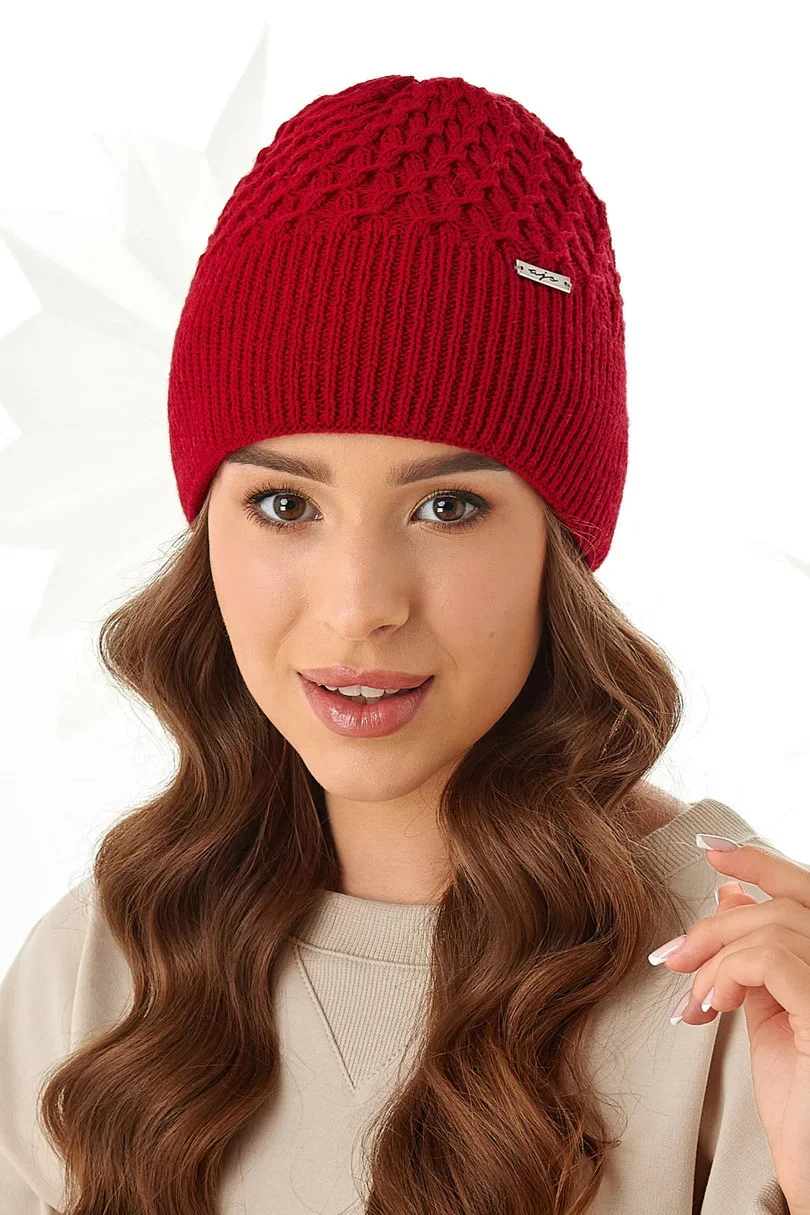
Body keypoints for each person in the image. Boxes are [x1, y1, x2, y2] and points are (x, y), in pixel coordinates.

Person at [1, 74, 807, 1215]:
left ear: (559, 544)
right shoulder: (99, 974)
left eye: (447, 506)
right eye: (285, 504)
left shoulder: (744, 990)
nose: (358, 608)